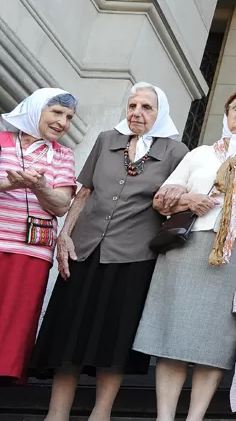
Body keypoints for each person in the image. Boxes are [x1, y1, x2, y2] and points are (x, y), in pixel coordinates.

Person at [30, 83, 187, 419]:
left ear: (160, 114)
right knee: (67, 336)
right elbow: (84, 192)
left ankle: (100, 414)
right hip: (84, 251)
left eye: (146, 107)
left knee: (112, 343)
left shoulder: (175, 152)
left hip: (133, 259)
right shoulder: (106, 140)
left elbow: (177, 202)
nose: (137, 113)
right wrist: (65, 236)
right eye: (132, 105)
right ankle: (55, 415)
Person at [132, 89, 236, 421]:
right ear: (226, 115)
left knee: (214, 341)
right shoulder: (198, 154)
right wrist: (190, 200)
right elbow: (161, 200)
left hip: (234, 255)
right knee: (173, 334)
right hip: (187, 248)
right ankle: (165, 416)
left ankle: (195, 416)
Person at [0, 89, 78, 386]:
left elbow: (61, 204)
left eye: (69, 117)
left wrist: (39, 186)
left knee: (13, 327)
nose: (63, 122)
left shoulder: (63, 154)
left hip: (33, 253)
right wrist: (10, 184)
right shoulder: (2, 140)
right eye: (56, 113)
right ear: (35, 110)